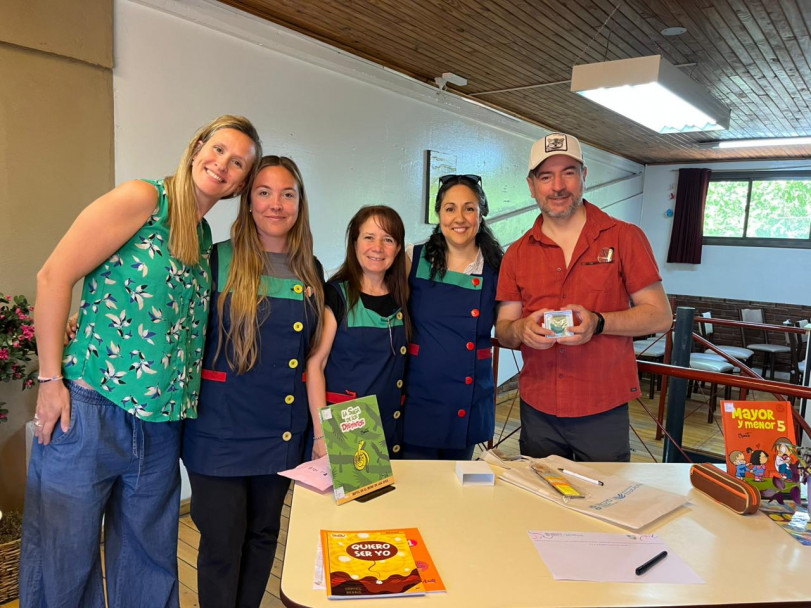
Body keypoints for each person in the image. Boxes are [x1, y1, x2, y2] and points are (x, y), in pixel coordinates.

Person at [21, 115, 261, 608]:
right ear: (197, 148)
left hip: (159, 424)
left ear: (240, 184)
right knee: (64, 559)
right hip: (90, 408)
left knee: (149, 566)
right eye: (217, 150)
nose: (222, 164)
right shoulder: (144, 198)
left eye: (238, 163)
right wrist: (50, 380)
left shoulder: (203, 238)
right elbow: (53, 276)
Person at [181, 155, 324, 608]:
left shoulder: (311, 271)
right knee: (223, 543)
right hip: (219, 431)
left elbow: (318, 356)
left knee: (263, 535)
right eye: (263, 192)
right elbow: (166, 317)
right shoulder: (215, 259)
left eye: (287, 194)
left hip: (282, 430)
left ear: (300, 204)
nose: (275, 204)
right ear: (247, 201)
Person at [495, 132, 672, 462]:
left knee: (605, 507)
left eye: (568, 173)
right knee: (541, 506)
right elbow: (503, 329)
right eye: (546, 176)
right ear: (532, 185)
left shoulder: (625, 238)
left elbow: (660, 315)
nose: (558, 186)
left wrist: (599, 322)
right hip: (538, 410)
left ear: (584, 176)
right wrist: (521, 331)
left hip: (602, 408)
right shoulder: (516, 253)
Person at [402, 174, 503, 460]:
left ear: (481, 214)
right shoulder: (413, 258)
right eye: (450, 208)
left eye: (469, 208)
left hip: (465, 399)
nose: (459, 218)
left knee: (453, 493)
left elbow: (508, 324)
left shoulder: (497, 268)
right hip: (419, 396)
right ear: (438, 214)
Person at [306, 205, 411, 457]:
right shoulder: (336, 295)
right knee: (359, 496)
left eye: (388, 239)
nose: (378, 247)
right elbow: (315, 365)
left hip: (395, 424)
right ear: (354, 244)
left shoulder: (404, 297)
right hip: (349, 426)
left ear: (398, 249)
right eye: (369, 237)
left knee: (393, 496)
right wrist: (321, 436)